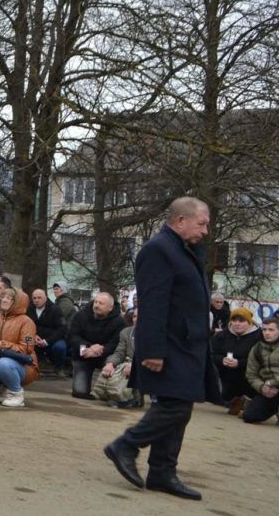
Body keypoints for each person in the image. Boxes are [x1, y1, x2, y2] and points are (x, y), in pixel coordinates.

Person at [104, 197, 220, 501]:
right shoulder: (159, 249)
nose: (206, 230)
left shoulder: (185, 249)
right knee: (176, 406)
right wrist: (152, 349)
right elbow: (153, 303)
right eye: (202, 223)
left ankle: (162, 472)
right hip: (168, 344)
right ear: (181, 221)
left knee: (180, 406)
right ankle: (126, 445)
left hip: (186, 343)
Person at [67, 292, 124, 399]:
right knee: (80, 393)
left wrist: (98, 350)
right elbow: (72, 336)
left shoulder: (119, 322)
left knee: (110, 395)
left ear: (110, 308)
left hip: (105, 356)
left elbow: (115, 343)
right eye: (96, 302)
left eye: (101, 303)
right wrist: (89, 347)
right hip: (84, 354)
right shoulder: (81, 315)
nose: (96, 305)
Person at [211, 308, 262, 416]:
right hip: (225, 374)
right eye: (234, 320)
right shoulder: (222, 335)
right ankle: (233, 400)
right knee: (221, 394)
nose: (237, 324)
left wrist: (239, 363)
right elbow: (211, 354)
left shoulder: (259, 336)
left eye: (241, 321)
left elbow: (261, 360)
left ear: (249, 322)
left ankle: (249, 401)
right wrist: (221, 360)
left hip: (249, 375)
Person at [92, 307, 137, 408]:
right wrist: (110, 364)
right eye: (134, 316)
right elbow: (119, 353)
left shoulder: (154, 334)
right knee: (110, 368)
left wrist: (134, 364)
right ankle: (115, 395)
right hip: (126, 363)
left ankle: (128, 398)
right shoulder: (126, 332)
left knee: (129, 369)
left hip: (146, 363)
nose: (136, 319)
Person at [242, 316, 279, 425]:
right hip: (268, 390)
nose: (267, 333)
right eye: (264, 329)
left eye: (271, 330)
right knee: (249, 416)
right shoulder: (257, 348)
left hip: (273, 384)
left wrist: (272, 383)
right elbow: (251, 374)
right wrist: (262, 387)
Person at [27, 288, 68, 374]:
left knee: (60, 347)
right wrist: (33, 336)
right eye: (34, 298)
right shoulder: (29, 309)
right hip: (34, 337)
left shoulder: (55, 309)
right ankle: (31, 366)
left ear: (45, 298)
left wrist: (46, 341)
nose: (36, 300)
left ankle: (58, 368)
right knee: (25, 341)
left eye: (39, 298)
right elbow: (25, 326)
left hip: (52, 339)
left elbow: (62, 329)